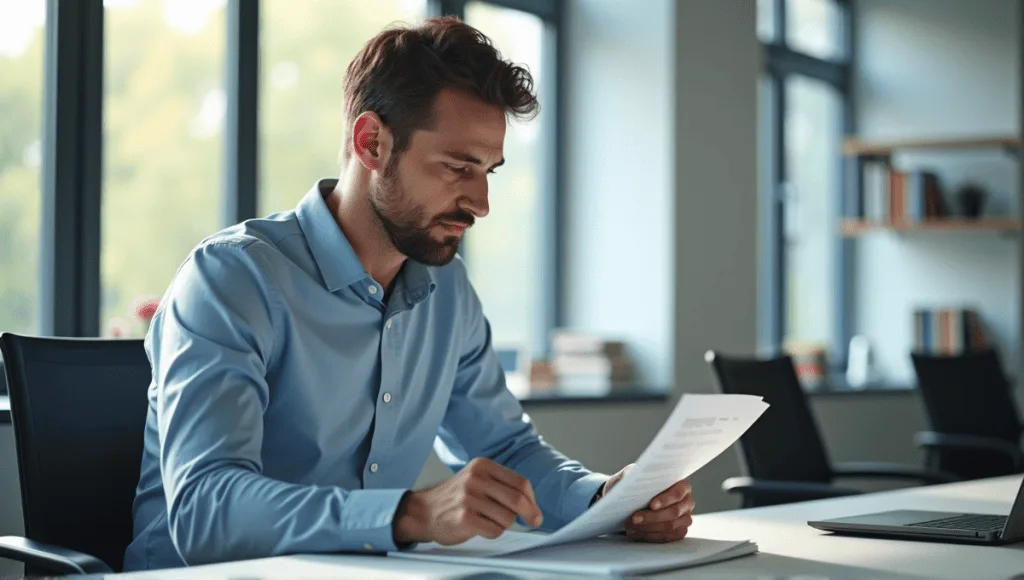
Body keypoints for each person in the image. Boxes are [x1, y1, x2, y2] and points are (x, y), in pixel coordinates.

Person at [123, 16, 694, 571]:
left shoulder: (446, 289)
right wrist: (410, 514)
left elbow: (505, 451)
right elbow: (205, 511)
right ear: (371, 142)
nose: (480, 203)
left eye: (488, 171)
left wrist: (605, 501)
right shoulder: (231, 280)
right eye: (456, 167)